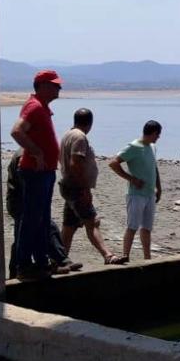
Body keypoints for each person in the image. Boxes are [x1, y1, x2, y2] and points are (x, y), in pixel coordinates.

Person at [10, 70, 65, 280]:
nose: (58, 88)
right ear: (41, 85)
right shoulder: (34, 107)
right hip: (35, 172)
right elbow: (17, 131)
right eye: (54, 85)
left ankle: (42, 264)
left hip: (44, 172)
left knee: (42, 219)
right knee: (32, 219)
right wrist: (37, 152)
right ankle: (24, 265)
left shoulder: (42, 108)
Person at [59, 108, 124, 265]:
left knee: (69, 226)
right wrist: (84, 189)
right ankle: (108, 255)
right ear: (90, 123)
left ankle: (60, 258)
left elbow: (64, 160)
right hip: (76, 188)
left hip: (68, 185)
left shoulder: (67, 134)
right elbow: (76, 163)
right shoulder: (80, 137)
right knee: (92, 221)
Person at [6, 150, 80, 279]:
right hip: (21, 203)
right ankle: (57, 260)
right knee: (41, 229)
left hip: (24, 202)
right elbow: (26, 184)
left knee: (25, 233)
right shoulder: (24, 155)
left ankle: (56, 260)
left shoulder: (28, 153)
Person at [110, 120, 163, 261]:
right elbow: (113, 163)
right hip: (136, 195)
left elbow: (154, 167)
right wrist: (131, 179)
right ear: (152, 133)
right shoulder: (134, 147)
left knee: (147, 228)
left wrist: (159, 187)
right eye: (158, 135)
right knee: (132, 226)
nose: (158, 138)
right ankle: (125, 255)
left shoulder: (152, 147)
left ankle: (147, 258)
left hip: (150, 193)